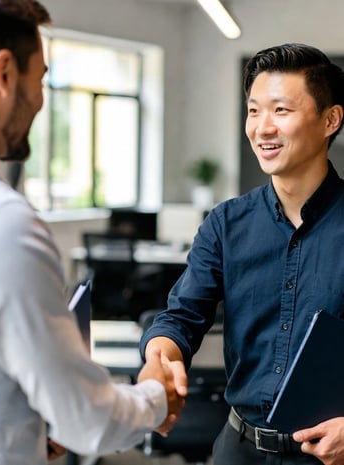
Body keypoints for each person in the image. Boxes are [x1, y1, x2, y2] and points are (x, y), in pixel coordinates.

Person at [0, 2, 184, 465]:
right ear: (4, 72)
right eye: (40, 79)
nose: (42, 100)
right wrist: (156, 395)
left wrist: (29, 420)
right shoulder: (0, 222)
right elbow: (88, 422)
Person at [140, 43, 344, 465]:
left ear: (330, 120)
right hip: (239, 449)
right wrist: (159, 360)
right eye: (253, 111)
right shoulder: (225, 224)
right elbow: (181, 316)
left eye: (281, 111)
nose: (262, 128)